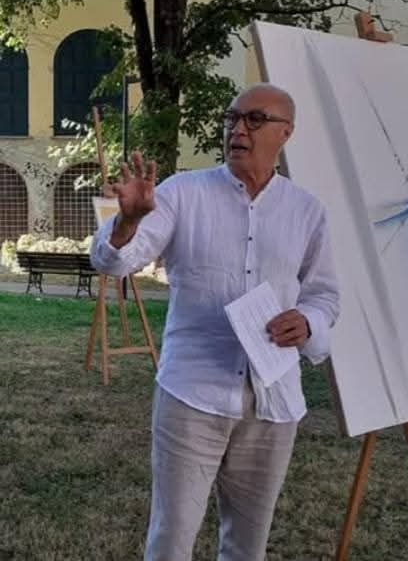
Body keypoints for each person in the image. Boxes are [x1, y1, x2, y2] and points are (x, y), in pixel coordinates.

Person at [90, 82, 340, 561]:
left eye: (254, 119)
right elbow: (114, 262)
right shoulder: (182, 193)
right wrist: (126, 223)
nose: (238, 129)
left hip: (272, 401)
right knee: (172, 539)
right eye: (231, 118)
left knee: (248, 546)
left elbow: (324, 294)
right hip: (193, 396)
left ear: (285, 133)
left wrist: (307, 322)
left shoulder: (307, 211)